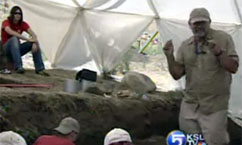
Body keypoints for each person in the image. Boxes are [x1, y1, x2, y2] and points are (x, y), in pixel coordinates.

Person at [163, 8, 239, 145]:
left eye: (202, 23)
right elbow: (177, 74)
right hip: (190, 105)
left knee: (216, 142)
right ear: (189, 25)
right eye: (196, 23)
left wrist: (219, 53)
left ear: (209, 22)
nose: (199, 27)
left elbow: (233, 67)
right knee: (194, 142)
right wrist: (169, 56)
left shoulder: (223, 39)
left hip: (214, 106)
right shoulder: (186, 45)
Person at [1, 6, 49, 76]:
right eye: (16, 13)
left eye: (19, 14)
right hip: (5, 50)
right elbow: (10, 31)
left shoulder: (23, 24)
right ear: (12, 14)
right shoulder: (6, 22)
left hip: (16, 51)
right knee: (14, 39)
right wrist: (27, 39)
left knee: (35, 43)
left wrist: (34, 42)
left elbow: (34, 35)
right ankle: (19, 67)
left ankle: (40, 69)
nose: (18, 15)